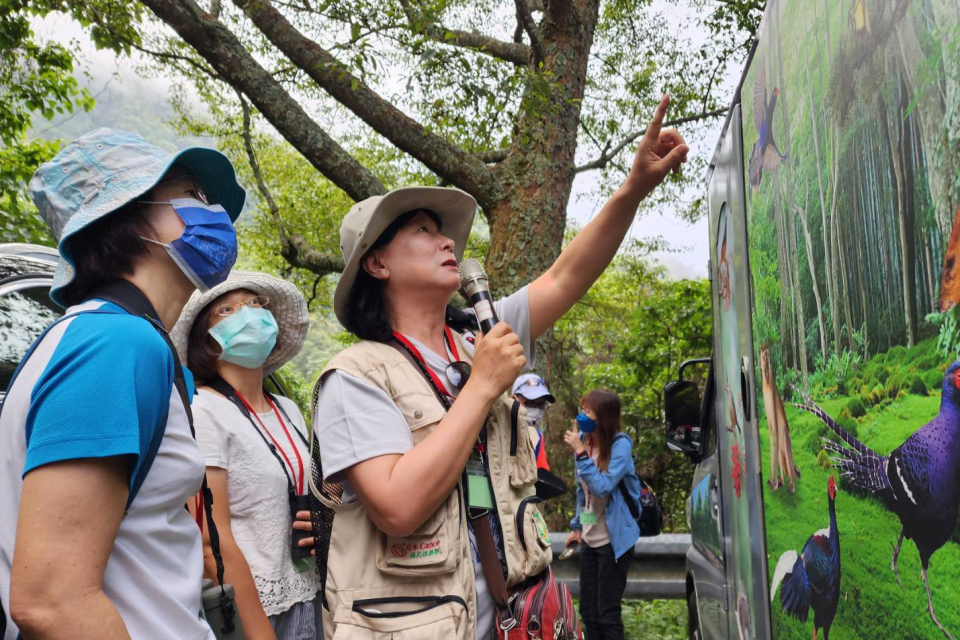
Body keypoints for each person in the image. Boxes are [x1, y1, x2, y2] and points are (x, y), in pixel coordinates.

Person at [311, 94, 687, 639]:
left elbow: (564, 277)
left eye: (444, 232)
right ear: (376, 262)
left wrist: (634, 189)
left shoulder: (482, 337)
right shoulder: (355, 375)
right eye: (421, 230)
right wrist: (482, 385)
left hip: (516, 622)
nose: (447, 241)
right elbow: (397, 507)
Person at [0, 128, 245, 640]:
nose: (212, 213)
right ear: (125, 218)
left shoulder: (116, 339)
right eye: (189, 196)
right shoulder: (114, 342)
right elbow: (51, 602)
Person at [171, 272, 318, 640]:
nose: (248, 314)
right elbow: (211, 542)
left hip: (310, 594)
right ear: (207, 339)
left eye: (255, 304)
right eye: (227, 309)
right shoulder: (203, 410)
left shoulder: (286, 409)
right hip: (252, 611)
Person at [563, 389, 642, 640]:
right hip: (590, 539)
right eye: (582, 408)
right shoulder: (586, 440)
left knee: (607, 614)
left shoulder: (620, 446)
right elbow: (585, 495)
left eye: (587, 410)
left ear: (603, 416)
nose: (581, 415)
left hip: (613, 542)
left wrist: (580, 453)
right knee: (588, 612)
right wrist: (577, 527)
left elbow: (603, 486)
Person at [512, 373, 555, 470]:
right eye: (530, 402)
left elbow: (541, 473)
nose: (536, 410)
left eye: (541, 404)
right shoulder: (496, 426)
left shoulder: (537, 437)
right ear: (514, 398)